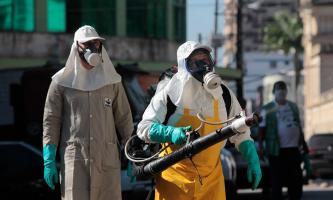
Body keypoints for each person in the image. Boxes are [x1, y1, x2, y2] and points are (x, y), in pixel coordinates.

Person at [137, 41, 262, 200]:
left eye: (206, 60)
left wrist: (252, 159)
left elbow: (240, 129)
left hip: (212, 181)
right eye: (197, 61)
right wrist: (171, 133)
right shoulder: (169, 94)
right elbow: (143, 128)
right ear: (183, 65)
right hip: (175, 180)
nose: (204, 66)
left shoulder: (223, 94)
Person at [42, 25, 133, 199]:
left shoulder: (112, 81)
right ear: (77, 47)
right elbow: (51, 121)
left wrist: (132, 154)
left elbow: (124, 118)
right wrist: (49, 159)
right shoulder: (61, 82)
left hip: (106, 159)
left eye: (97, 43)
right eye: (88, 44)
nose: (93, 48)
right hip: (75, 158)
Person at [258, 81, 312, 200]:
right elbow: (261, 130)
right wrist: (261, 147)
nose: (281, 91)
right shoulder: (267, 109)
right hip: (276, 151)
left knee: (296, 181)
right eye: (278, 88)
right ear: (274, 92)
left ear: (287, 91)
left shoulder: (293, 106)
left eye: (283, 88)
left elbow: (298, 126)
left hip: (293, 150)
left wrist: (303, 144)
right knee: (277, 182)